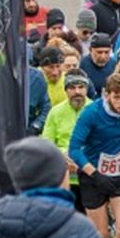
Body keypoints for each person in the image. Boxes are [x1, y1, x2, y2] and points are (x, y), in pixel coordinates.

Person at [67, 75, 120, 238]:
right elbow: (74, 149)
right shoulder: (91, 113)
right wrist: (95, 174)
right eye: (117, 97)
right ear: (106, 95)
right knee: (101, 235)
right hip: (93, 175)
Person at [40, 71, 91, 211]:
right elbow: (46, 143)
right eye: (72, 88)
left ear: (87, 89)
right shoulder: (55, 112)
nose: (77, 92)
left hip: (89, 174)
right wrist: (62, 155)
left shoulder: (95, 109)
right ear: (66, 90)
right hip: (64, 173)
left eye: (81, 87)